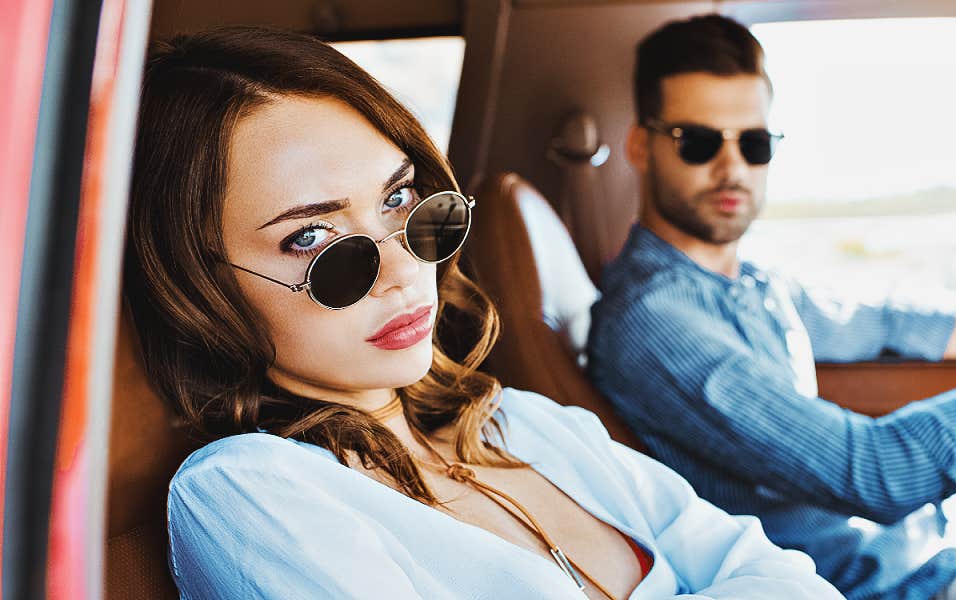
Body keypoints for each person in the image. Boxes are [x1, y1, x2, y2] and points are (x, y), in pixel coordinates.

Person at [124, 26, 844, 600]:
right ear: (201, 289)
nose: (405, 269)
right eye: (313, 239)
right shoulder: (251, 492)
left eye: (402, 202)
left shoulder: (527, 424)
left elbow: (788, 576)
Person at [587, 14, 956, 600]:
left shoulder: (744, 282)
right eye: (697, 142)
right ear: (641, 146)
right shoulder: (654, 322)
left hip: (933, 538)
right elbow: (874, 472)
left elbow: (893, 320)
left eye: (754, 143)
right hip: (885, 586)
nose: (733, 168)